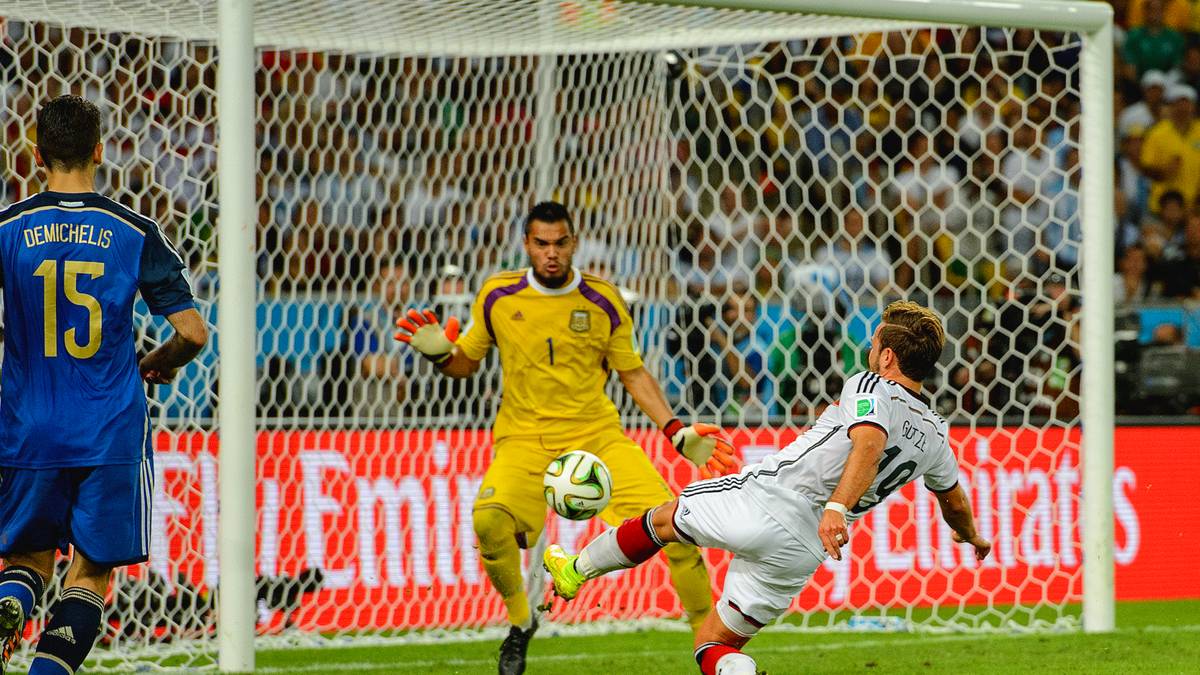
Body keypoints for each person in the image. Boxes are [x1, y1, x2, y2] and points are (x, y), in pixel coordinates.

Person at [542, 301, 992, 675]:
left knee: (662, 520)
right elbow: (952, 499)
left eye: (875, 343)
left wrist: (837, 505)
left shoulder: (870, 384)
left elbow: (870, 441)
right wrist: (971, 535)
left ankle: (574, 571)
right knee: (713, 645)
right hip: (802, 550)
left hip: (771, 502)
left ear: (888, 356)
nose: (870, 348)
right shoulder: (935, 433)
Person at [394, 201, 736, 675]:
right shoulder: (498, 294)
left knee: (678, 527)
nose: (551, 253)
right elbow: (465, 362)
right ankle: (520, 622)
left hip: (596, 436)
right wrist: (439, 355)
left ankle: (713, 642)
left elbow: (632, 373)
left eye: (560, 243)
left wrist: (675, 431)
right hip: (523, 438)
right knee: (489, 523)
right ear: (527, 245)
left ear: (573, 243)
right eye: (541, 244)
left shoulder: (602, 299)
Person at [0, 95, 207, 674]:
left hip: (28, 425)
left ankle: (10, 603)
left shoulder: (7, 229)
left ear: (35, 154)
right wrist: (158, 361)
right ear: (99, 151)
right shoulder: (134, 230)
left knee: (28, 559)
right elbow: (193, 332)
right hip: (109, 427)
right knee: (91, 572)